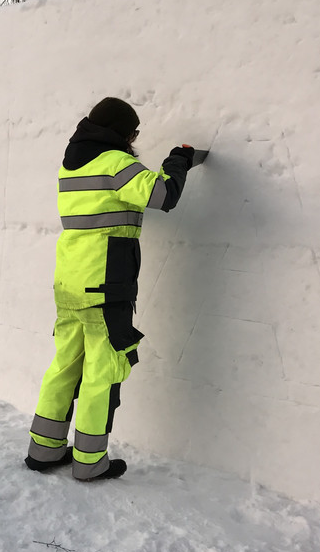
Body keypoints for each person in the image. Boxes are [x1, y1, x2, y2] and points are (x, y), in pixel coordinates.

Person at [25, 96, 195, 481]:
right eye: (133, 132)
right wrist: (178, 161)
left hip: (69, 281)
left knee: (64, 365)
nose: (135, 139)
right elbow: (163, 195)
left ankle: (44, 450)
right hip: (105, 283)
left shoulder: (70, 166)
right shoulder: (116, 163)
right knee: (103, 371)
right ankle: (88, 462)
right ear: (121, 132)